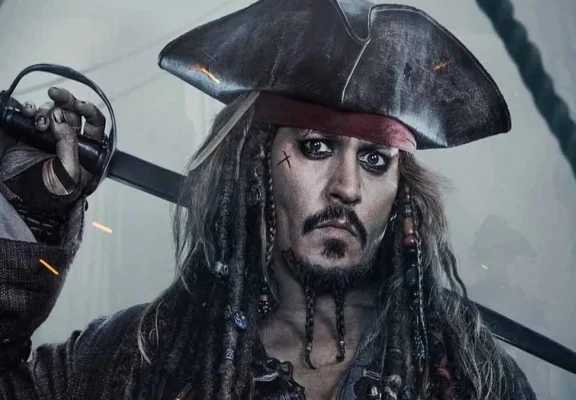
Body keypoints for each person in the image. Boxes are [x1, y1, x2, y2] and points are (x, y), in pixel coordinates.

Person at [0, 0, 537, 399]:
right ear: (256, 165)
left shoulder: (470, 378)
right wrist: (30, 207)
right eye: (316, 147)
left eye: (375, 160)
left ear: (400, 194)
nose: (347, 187)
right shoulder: (144, 356)